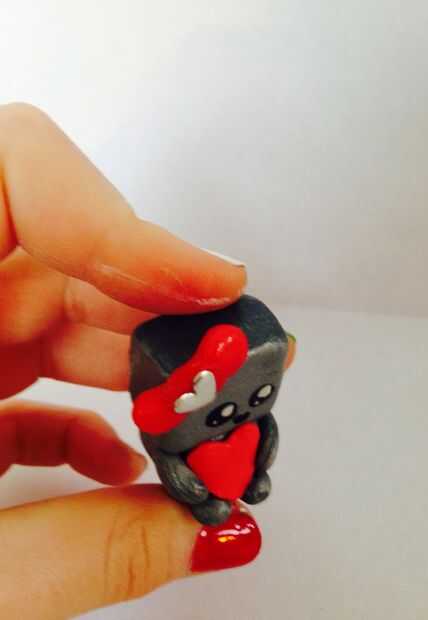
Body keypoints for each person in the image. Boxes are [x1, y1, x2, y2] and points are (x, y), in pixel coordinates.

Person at [0, 104, 296, 618]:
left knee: (251, 447)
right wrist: (189, 483)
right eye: (225, 407)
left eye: (260, 394)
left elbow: (262, 428)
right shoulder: (170, 419)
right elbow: (168, 451)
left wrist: (257, 457)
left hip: (237, 466)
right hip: (199, 472)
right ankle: (211, 498)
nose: (247, 407)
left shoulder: (252, 419)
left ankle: (240, 485)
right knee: (202, 491)